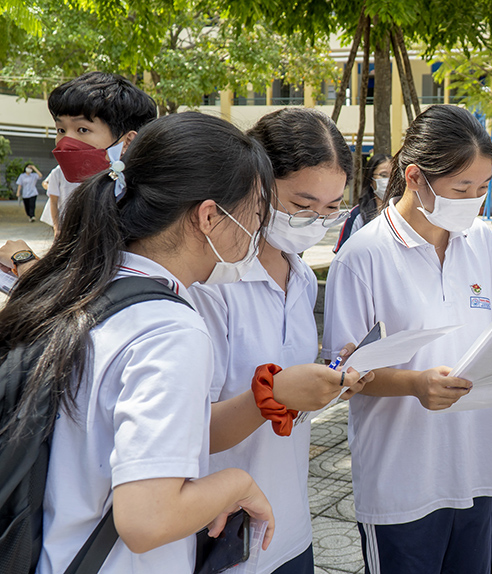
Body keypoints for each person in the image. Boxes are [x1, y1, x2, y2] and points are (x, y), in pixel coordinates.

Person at [0, 111, 277, 574]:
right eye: (255, 214)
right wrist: (237, 484)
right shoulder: (170, 331)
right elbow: (147, 520)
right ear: (209, 216)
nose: (257, 231)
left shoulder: (82, 284)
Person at [322, 104, 492, 574]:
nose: (473, 199)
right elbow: (338, 377)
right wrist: (414, 384)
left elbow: (491, 332)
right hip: (401, 479)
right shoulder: (363, 256)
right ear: (414, 177)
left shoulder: (479, 240)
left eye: (481, 187)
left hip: (475, 466)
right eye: (460, 188)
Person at [187, 108, 368, 574]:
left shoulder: (302, 276)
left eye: (331, 209)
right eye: (301, 205)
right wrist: (278, 393)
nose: (315, 221)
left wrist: (328, 381)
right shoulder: (212, 283)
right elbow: (191, 431)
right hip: (221, 530)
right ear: (256, 186)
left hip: (288, 521)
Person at [45, 71, 158, 236]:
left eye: (82, 129)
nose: (65, 142)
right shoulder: (86, 198)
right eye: (61, 130)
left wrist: (24, 259)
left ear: (127, 141)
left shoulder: (147, 208)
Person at [334, 153, 392, 253]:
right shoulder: (357, 215)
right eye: (383, 175)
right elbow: (343, 252)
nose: (388, 180)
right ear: (370, 179)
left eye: (393, 176)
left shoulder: (404, 214)